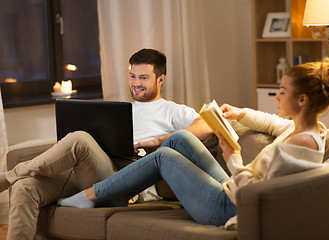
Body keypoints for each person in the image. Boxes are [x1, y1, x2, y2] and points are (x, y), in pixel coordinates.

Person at [58, 57, 329, 229]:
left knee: (164, 157)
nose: (277, 97)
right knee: (182, 138)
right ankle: (118, 193)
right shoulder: (310, 129)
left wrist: (232, 156)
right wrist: (238, 113)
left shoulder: (300, 145)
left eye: (282, 91)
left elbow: (260, 195)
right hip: (235, 194)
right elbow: (271, 123)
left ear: (302, 99)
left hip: (232, 207)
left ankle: (91, 196)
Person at [0, 48, 212, 240]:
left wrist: (158, 141)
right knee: (25, 187)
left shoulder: (172, 110)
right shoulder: (119, 110)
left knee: (80, 139)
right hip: (91, 171)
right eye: (132, 76)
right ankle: (15, 179)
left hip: (126, 181)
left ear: (161, 79)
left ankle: (8, 177)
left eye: (144, 78)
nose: (136, 83)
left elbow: (208, 125)